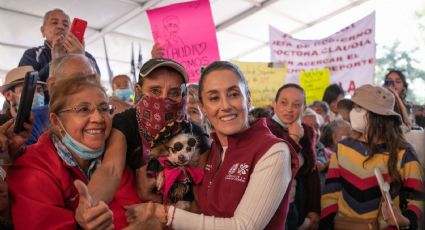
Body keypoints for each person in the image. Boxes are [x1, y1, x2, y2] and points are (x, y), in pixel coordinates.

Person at [125, 61, 295, 229]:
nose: (225, 106)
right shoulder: (212, 150)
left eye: (234, 94)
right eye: (214, 98)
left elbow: (244, 227)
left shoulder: (274, 151)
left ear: (248, 98)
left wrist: (163, 214)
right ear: (203, 107)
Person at [75, 58, 210, 221]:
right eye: (155, 91)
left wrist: (164, 213)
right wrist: (90, 203)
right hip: (133, 217)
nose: (164, 99)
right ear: (139, 91)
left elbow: (203, 196)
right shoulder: (127, 122)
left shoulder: (194, 132)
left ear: (183, 95)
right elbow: (111, 170)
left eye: (174, 93)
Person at [6, 74, 141, 229]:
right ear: (56, 121)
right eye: (83, 109)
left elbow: (133, 214)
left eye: (104, 108)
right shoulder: (31, 170)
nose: (98, 118)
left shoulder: (112, 156)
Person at [320, 85, 424, 229]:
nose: (353, 113)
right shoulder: (343, 147)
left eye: (358, 108)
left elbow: (417, 197)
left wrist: (406, 220)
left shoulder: (404, 153)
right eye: (353, 108)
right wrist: (326, 224)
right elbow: (331, 191)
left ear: (378, 116)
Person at [267, 83, 321, 230]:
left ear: (304, 108)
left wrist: (314, 208)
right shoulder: (264, 129)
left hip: (296, 205)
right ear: (275, 104)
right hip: (271, 208)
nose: (289, 109)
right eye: (284, 103)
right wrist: (293, 138)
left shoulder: (307, 131)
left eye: (296, 105)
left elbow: (311, 171)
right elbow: (278, 167)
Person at [18, 8, 99, 83]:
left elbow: (96, 82)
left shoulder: (86, 56)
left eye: (65, 25)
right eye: (54, 23)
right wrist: (55, 63)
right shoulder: (32, 54)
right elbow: (24, 86)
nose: (61, 27)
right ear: (43, 31)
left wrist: (80, 58)